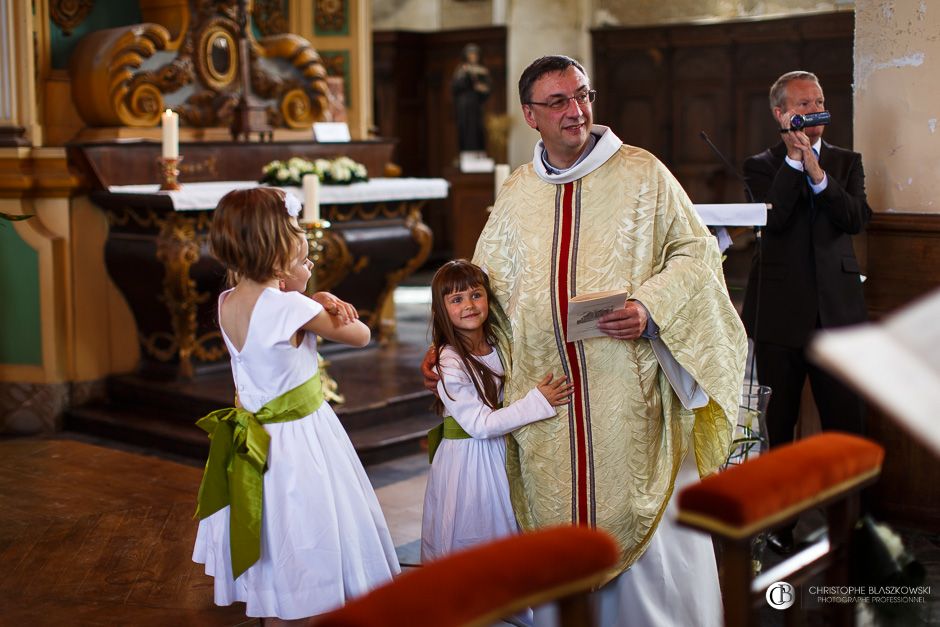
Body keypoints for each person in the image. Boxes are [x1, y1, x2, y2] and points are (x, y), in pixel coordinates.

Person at [424, 55, 746, 626]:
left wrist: (649, 308)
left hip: (627, 390)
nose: (576, 111)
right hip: (546, 398)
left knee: (637, 507)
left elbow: (695, 254)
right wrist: (452, 347)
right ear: (531, 115)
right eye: (558, 102)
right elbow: (484, 286)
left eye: (582, 96)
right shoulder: (519, 190)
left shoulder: (643, 173)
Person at [192, 187, 400, 625]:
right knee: (306, 527)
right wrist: (317, 297)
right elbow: (361, 335)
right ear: (275, 247)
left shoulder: (227, 301)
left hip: (254, 442)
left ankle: (272, 605)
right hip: (298, 442)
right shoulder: (288, 305)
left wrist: (306, 297)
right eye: (292, 231)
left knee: (272, 529)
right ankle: (306, 607)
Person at [742, 71, 871, 554]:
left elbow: (855, 218)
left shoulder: (846, 160)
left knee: (846, 421)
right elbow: (774, 219)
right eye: (803, 104)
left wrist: (819, 174)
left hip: (839, 312)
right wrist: (795, 165)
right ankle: (782, 523)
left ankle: (852, 522)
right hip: (780, 313)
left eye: (819, 100)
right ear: (781, 113)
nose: (814, 110)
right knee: (782, 422)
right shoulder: (761, 166)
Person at [421, 260, 572, 565]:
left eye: (476, 295)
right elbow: (480, 425)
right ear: (440, 310)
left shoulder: (496, 344)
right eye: (456, 300)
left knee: (512, 523)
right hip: (471, 462)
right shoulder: (449, 362)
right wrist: (537, 401)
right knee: (481, 529)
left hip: (502, 450)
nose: (469, 305)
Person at [452, 43, 491, 155]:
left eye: (475, 54)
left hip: (476, 105)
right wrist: (466, 78)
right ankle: (466, 153)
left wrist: (483, 89)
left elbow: (488, 88)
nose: (473, 57)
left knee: (477, 129)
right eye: (471, 54)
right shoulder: (461, 69)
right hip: (464, 105)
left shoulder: (482, 70)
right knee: (465, 129)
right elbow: (455, 87)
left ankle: (479, 152)